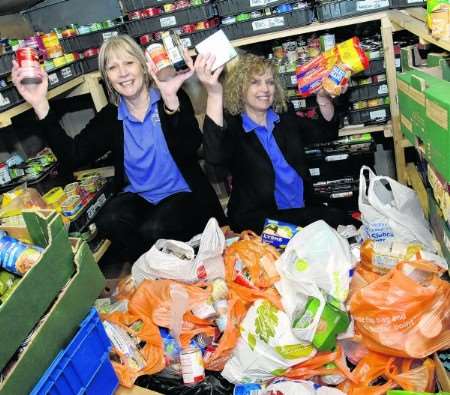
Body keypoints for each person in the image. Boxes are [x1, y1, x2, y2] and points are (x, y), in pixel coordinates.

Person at [12, 35, 225, 261]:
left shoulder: (170, 97)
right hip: (141, 199)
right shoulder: (110, 117)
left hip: (183, 195)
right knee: (108, 219)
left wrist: (170, 99)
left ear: (144, 67)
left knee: (153, 229)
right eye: (113, 68)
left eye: (129, 63)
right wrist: (40, 104)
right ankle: (149, 274)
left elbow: (190, 145)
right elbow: (73, 156)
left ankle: (179, 267)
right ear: (107, 78)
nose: (123, 73)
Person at [195, 52, 353, 233]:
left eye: (270, 82)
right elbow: (215, 168)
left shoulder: (284, 117)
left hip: (301, 209)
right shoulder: (234, 127)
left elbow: (326, 132)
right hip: (258, 220)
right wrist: (214, 94)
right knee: (332, 220)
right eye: (255, 82)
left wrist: (323, 98)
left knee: (341, 223)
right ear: (240, 88)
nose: (265, 89)